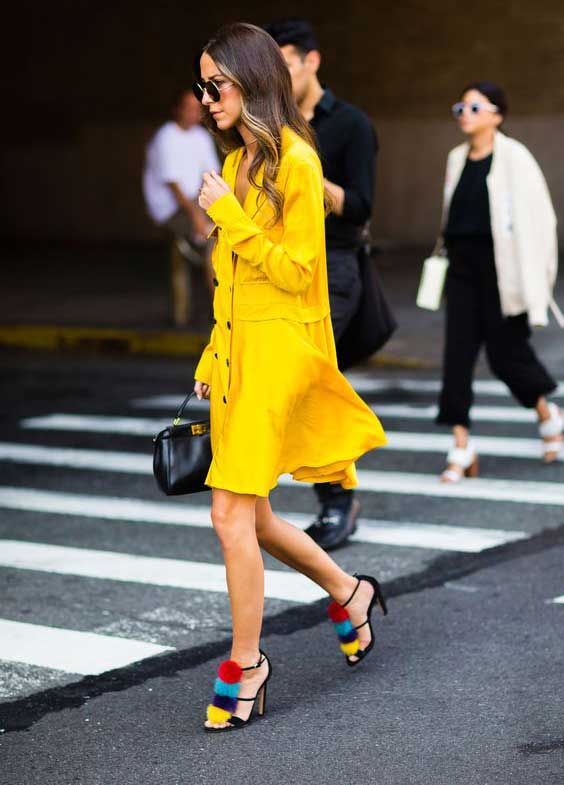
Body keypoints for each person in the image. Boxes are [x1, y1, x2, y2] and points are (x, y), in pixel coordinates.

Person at [192, 22, 388, 732]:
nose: (207, 95)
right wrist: (213, 359)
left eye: (217, 82)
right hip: (240, 357)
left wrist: (231, 219)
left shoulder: (297, 163)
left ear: (251, 81)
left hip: (279, 355)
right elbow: (233, 282)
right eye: (202, 84)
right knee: (259, 518)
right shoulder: (241, 161)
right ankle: (349, 589)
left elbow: (297, 269)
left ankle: (247, 663)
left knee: (228, 513)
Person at [265, 18, 378, 550]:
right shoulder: (271, 129)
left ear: (312, 61)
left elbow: (361, 206)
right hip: (283, 266)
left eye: (286, 61)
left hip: (334, 267)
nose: (280, 73)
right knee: (299, 380)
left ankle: (337, 500)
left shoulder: (350, 125)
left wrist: (311, 183)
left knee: (313, 379)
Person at [437, 81, 561, 482]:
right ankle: (460, 445)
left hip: (501, 271)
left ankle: (547, 414)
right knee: (456, 356)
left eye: (474, 108)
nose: (465, 115)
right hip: (461, 270)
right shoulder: (457, 158)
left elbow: (541, 221)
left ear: (497, 115)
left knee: (507, 356)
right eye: (461, 108)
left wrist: (538, 278)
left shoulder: (515, 158)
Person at [143, 88, 220, 326]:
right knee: (211, 240)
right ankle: (219, 309)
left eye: (197, 108)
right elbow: (174, 186)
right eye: (188, 107)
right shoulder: (166, 136)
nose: (193, 113)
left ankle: (221, 307)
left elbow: (211, 174)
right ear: (176, 110)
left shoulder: (201, 136)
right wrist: (198, 218)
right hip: (171, 208)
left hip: (195, 202)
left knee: (223, 232)